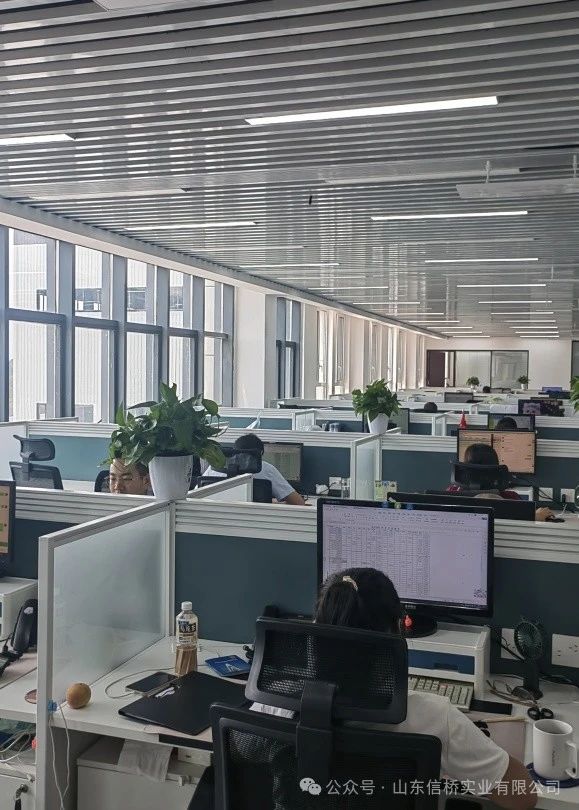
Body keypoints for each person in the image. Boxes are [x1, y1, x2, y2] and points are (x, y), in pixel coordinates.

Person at [253, 568, 536, 810]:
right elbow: (523, 796)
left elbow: (246, 757)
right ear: (396, 633)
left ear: (316, 629)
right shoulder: (433, 718)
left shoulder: (274, 700)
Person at [449, 443, 553, 521]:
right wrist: (535, 516)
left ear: (465, 468)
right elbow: (520, 520)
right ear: (496, 470)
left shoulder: (451, 494)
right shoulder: (510, 498)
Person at [205, 434, 305, 506]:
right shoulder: (266, 468)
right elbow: (299, 503)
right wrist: (268, 502)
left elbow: (197, 494)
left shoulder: (215, 466)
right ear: (260, 453)